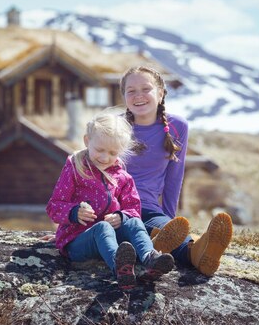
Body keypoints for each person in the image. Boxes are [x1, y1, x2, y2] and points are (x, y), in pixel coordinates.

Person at [46, 110, 189, 290]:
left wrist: (122, 217)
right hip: (77, 241)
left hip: (111, 238)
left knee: (135, 223)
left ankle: (150, 258)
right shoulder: (75, 168)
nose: (105, 158)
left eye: (113, 153)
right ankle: (120, 268)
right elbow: (54, 206)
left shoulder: (122, 177)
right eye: (100, 150)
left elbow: (133, 208)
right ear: (87, 141)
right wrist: (74, 212)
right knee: (103, 227)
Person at [120, 65, 233, 276]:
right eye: (131, 91)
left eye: (146, 89)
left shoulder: (176, 126)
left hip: (149, 208)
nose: (139, 96)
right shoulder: (114, 126)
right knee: (130, 229)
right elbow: (92, 173)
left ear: (161, 93)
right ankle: (164, 244)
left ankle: (199, 253)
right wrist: (73, 227)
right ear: (124, 96)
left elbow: (174, 176)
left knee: (164, 231)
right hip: (115, 208)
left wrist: (170, 222)